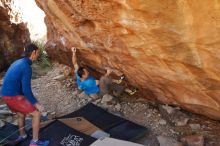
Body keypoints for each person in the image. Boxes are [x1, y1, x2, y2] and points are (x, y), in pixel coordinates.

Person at [1, 44, 49, 146]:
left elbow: (17, 84)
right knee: (36, 114)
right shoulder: (26, 67)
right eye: (38, 53)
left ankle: (22, 135)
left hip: (5, 95)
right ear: (33, 53)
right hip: (13, 96)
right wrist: (36, 103)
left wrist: (30, 100)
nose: (38, 55)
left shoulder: (18, 62)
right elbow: (26, 90)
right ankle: (34, 142)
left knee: (20, 113)